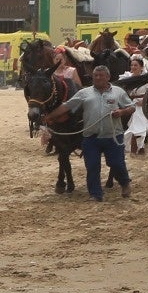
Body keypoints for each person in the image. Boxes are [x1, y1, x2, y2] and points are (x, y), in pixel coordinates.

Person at [51, 63, 136, 201]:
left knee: (116, 163)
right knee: (92, 166)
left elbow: (131, 107)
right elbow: (67, 106)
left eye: (101, 75)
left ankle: (125, 182)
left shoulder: (118, 92)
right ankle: (95, 194)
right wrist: (49, 116)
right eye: (95, 75)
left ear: (108, 77)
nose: (97, 78)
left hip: (113, 136)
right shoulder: (84, 93)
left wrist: (122, 111)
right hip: (91, 137)